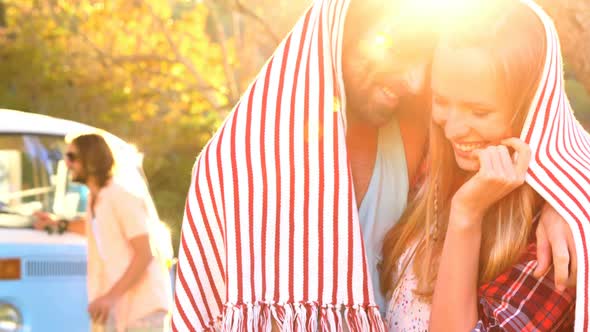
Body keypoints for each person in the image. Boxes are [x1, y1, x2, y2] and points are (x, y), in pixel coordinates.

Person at [171, 0, 580, 330]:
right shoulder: (242, 162)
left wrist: (563, 198)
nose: (416, 83)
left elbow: (532, 118)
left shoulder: (421, 141)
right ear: (336, 34)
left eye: (426, 63)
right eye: (396, 51)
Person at [380, 1, 588, 330]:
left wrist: (467, 214)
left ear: (532, 110)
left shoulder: (550, 244)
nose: (452, 130)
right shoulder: (431, 164)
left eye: (479, 112)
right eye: (442, 101)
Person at [35, 134, 172, 332]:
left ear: (91, 159)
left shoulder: (121, 195)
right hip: (114, 311)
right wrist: (58, 223)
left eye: (72, 157)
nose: (67, 163)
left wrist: (110, 298)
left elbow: (144, 253)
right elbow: (97, 228)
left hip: (142, 312)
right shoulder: (97, 198)